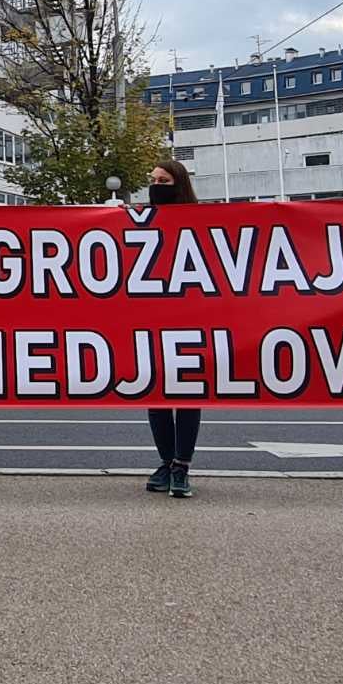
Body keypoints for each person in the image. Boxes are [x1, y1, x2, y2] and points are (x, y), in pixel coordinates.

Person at [143, 159, 203, 500]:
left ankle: (182, 466)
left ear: (177, 184)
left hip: (190, 317)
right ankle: (165, 463)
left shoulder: (199, 222)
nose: (155, 185)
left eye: (162, 180)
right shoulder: (141, 220)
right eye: (152, 180)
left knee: (188, 394)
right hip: (152, 317)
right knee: (157, 395)